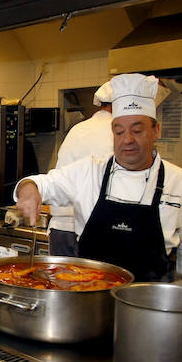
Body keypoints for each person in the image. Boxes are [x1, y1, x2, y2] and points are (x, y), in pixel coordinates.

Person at [14, 73, 182, 281]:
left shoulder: (181, 182)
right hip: (92, 298)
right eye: (119, 132)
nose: (128, 140)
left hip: (150, 303)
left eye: (137, 130)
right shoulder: (89, 171)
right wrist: (29, 188)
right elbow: (42, 183)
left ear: (156, 131)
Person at [47, 80, 114, 256]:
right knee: (94, 283)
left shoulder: (78, 129)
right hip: (92, 229)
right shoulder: (117, 132)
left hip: (60, 229)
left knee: (59, 282)